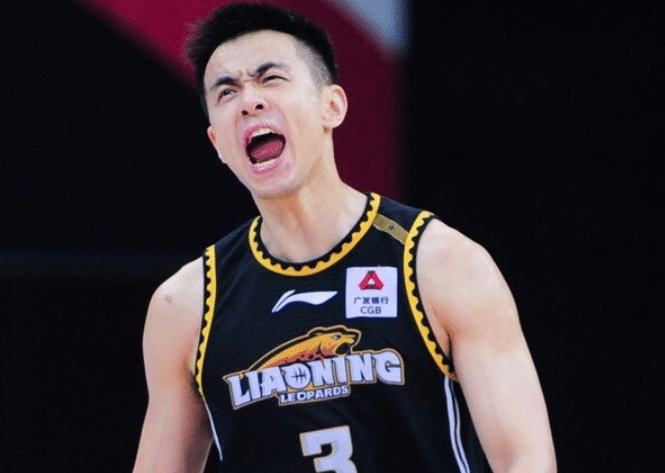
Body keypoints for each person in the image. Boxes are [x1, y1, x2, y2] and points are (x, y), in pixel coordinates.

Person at [132, 3, 556, 472]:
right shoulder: (186, 305)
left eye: (270, 79)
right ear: (217, 143)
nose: (249, 101)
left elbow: (525, 458)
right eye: (227, 91)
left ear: (331, 106)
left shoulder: (440, 262)